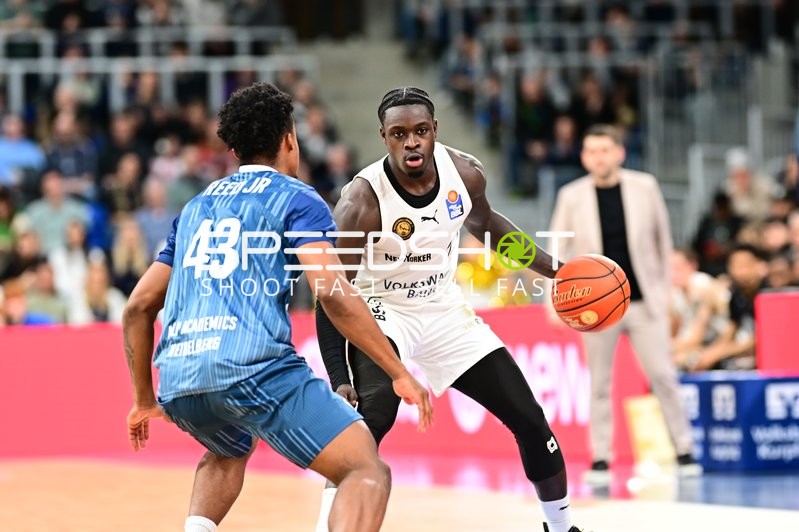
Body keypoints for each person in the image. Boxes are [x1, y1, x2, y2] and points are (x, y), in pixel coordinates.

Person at [122, 82, 432, 532]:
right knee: (365, 469)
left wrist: (143, 400)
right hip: (251, 367)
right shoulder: (297, 198)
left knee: (229, 447)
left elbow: (137, 306)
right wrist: (398, 371)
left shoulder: (194, 208)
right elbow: (331, 292)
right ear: (290, 138)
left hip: (180, 378)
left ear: (232, 148)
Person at [314, 87, 586, 532]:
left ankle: (561, 527)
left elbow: (489, 227)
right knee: (370, 420)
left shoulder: (465, 173)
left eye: (421, 131)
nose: (412, 142)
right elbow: (330, 292)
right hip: (382, 309)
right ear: (384, 136)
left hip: (443, 308)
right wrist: (340, 379)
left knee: (529, 418)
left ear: (435, 131)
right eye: (399, 134)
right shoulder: (362, 201)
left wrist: (555, 271)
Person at [548, 124, 701, 485]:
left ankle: (684, 449)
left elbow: (664, 242)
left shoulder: (644, 186)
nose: (598, 157)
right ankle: (601, 457)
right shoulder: (572, 195)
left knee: (663, 375)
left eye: (605, 149)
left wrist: (667, 293)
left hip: (645, 300)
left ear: (619, 152)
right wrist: (553, 303)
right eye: (591, 151)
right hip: (595, 308)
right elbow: (556, 250)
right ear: (584, 157)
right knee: (599, 383)